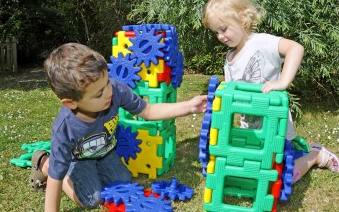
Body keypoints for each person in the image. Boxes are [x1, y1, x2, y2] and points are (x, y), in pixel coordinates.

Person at [29, 43, 207, 211]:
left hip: (106, 153)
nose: (108, 92)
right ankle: (45, 162)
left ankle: (95, 171)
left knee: (124, 183)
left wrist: (190, 106)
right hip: (78, 160)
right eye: (99, 93)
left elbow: (149, 111)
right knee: (92, 199)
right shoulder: (65, 128)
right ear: (71, 103)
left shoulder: (116, 90)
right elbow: (55, 177)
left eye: (107, 82)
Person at [203, 0, 339, 182]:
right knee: (254, 172)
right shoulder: (229, 59)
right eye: (216, 32)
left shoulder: (260, 42)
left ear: (242, 20)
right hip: (250, 128)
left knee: (281, 177)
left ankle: (316, 155)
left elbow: (296, 48)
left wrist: (283, 81)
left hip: (275, 124)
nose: (220, 36)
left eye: (224, 28)